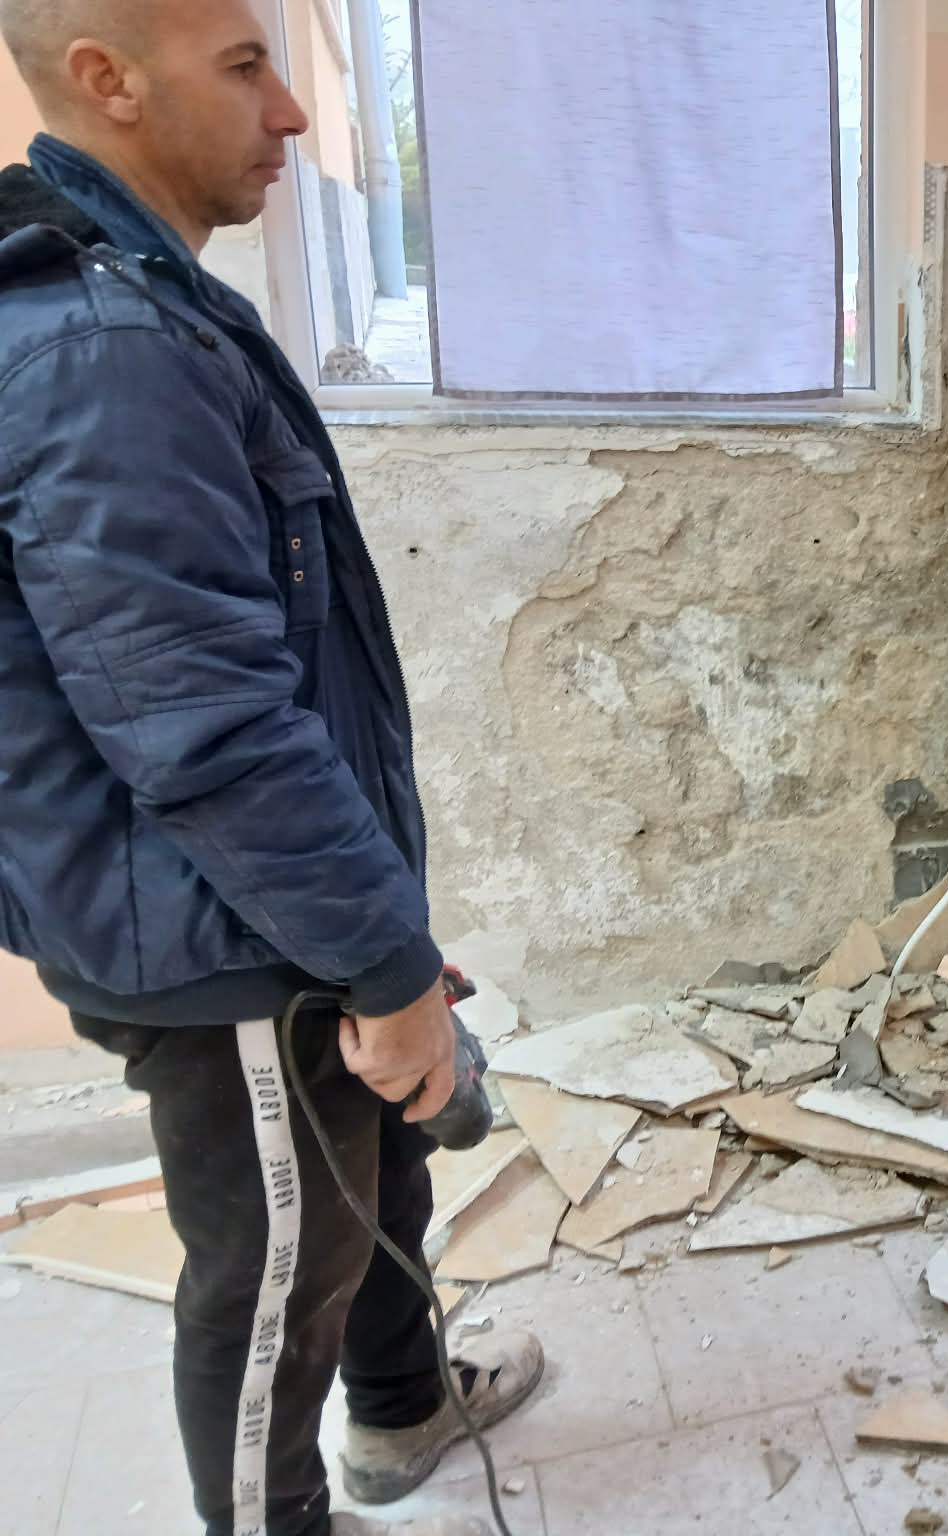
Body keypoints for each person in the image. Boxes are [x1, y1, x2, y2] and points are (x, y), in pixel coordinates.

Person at [0, 3, 544, 1533]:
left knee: (380, 1176)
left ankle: (406, 1408)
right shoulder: (107, 348)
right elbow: (208, 728)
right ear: (106, 80)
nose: (293, 112)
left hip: (268, 904)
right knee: (276, 1281)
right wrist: (382, 961)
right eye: (245, 67)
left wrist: (382, 939)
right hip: (219, 931)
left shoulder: (146, 301)